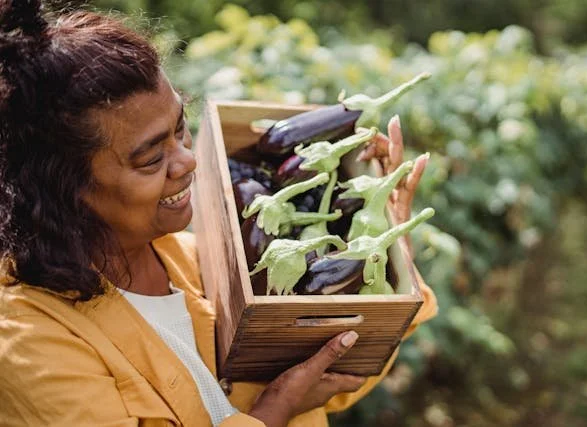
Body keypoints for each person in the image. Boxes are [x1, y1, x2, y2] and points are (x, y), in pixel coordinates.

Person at [0, 1, 437, 426]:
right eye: (151, 159)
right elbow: (289, 393)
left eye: (179, 128)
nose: (187, 161)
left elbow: (339, 376)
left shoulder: (203, 258)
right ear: (62, 190)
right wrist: (275, 410)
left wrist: (393, 250)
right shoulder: (26, 340)